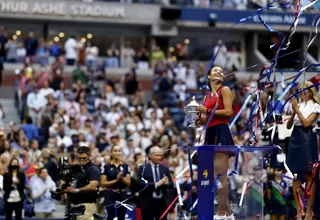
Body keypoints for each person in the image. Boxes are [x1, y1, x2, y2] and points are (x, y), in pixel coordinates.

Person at [195, 66, 235, 220]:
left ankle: (223, 212)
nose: (218, 72)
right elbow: (205, 120)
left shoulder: (224, 90)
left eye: (221, 71)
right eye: (215, 71)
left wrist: (206, 111)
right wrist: (196, 117)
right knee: (214, 175)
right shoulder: (206, 97)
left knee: (221, 175)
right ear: (208, 76)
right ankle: (224, 211)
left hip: (221, 131)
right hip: (210, 133)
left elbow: (228, 112)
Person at [286, 81, 320, 220]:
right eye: (300, 89)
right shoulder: (297, 105)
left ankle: (309, 210)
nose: (302, 91)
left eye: (305, 89)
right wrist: (293, 113)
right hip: (295, 139)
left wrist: (297, 110)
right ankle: (299, 210)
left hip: (307, 139)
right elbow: (288, 126)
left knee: (309, 177)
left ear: (311, 91)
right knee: (295, 176)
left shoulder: (316, 106)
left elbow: (306, 124)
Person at [65, 146, 101, 220]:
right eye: (79, 158)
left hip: (87, 205)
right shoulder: (76, 169)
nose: (81, 160)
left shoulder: (93, 169)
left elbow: (92, 186)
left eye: (84, 158)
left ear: (89, 156)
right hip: (74, 204)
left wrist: (76, 190)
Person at [138, 146, 173, 220]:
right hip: (148, 202)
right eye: (156, 155)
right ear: (150, 155)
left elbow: (171, 185)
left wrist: (167, 183)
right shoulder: (143, 168)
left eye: (160, 155)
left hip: (162, 202)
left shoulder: (164, 168)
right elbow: (141, 184)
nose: (159, 157)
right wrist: (156, 184)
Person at [101, 145, 131, 220]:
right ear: (111, 153)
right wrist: (116, 180)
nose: (117, 153)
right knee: (110, 216)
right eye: (115, 151)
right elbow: (103, 183)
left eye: (119, 151)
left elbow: (129, 183)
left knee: (122, 217)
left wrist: (122, 178)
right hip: (110, 194)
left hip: (122, 194)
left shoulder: (126, 166)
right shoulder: (106, 167)